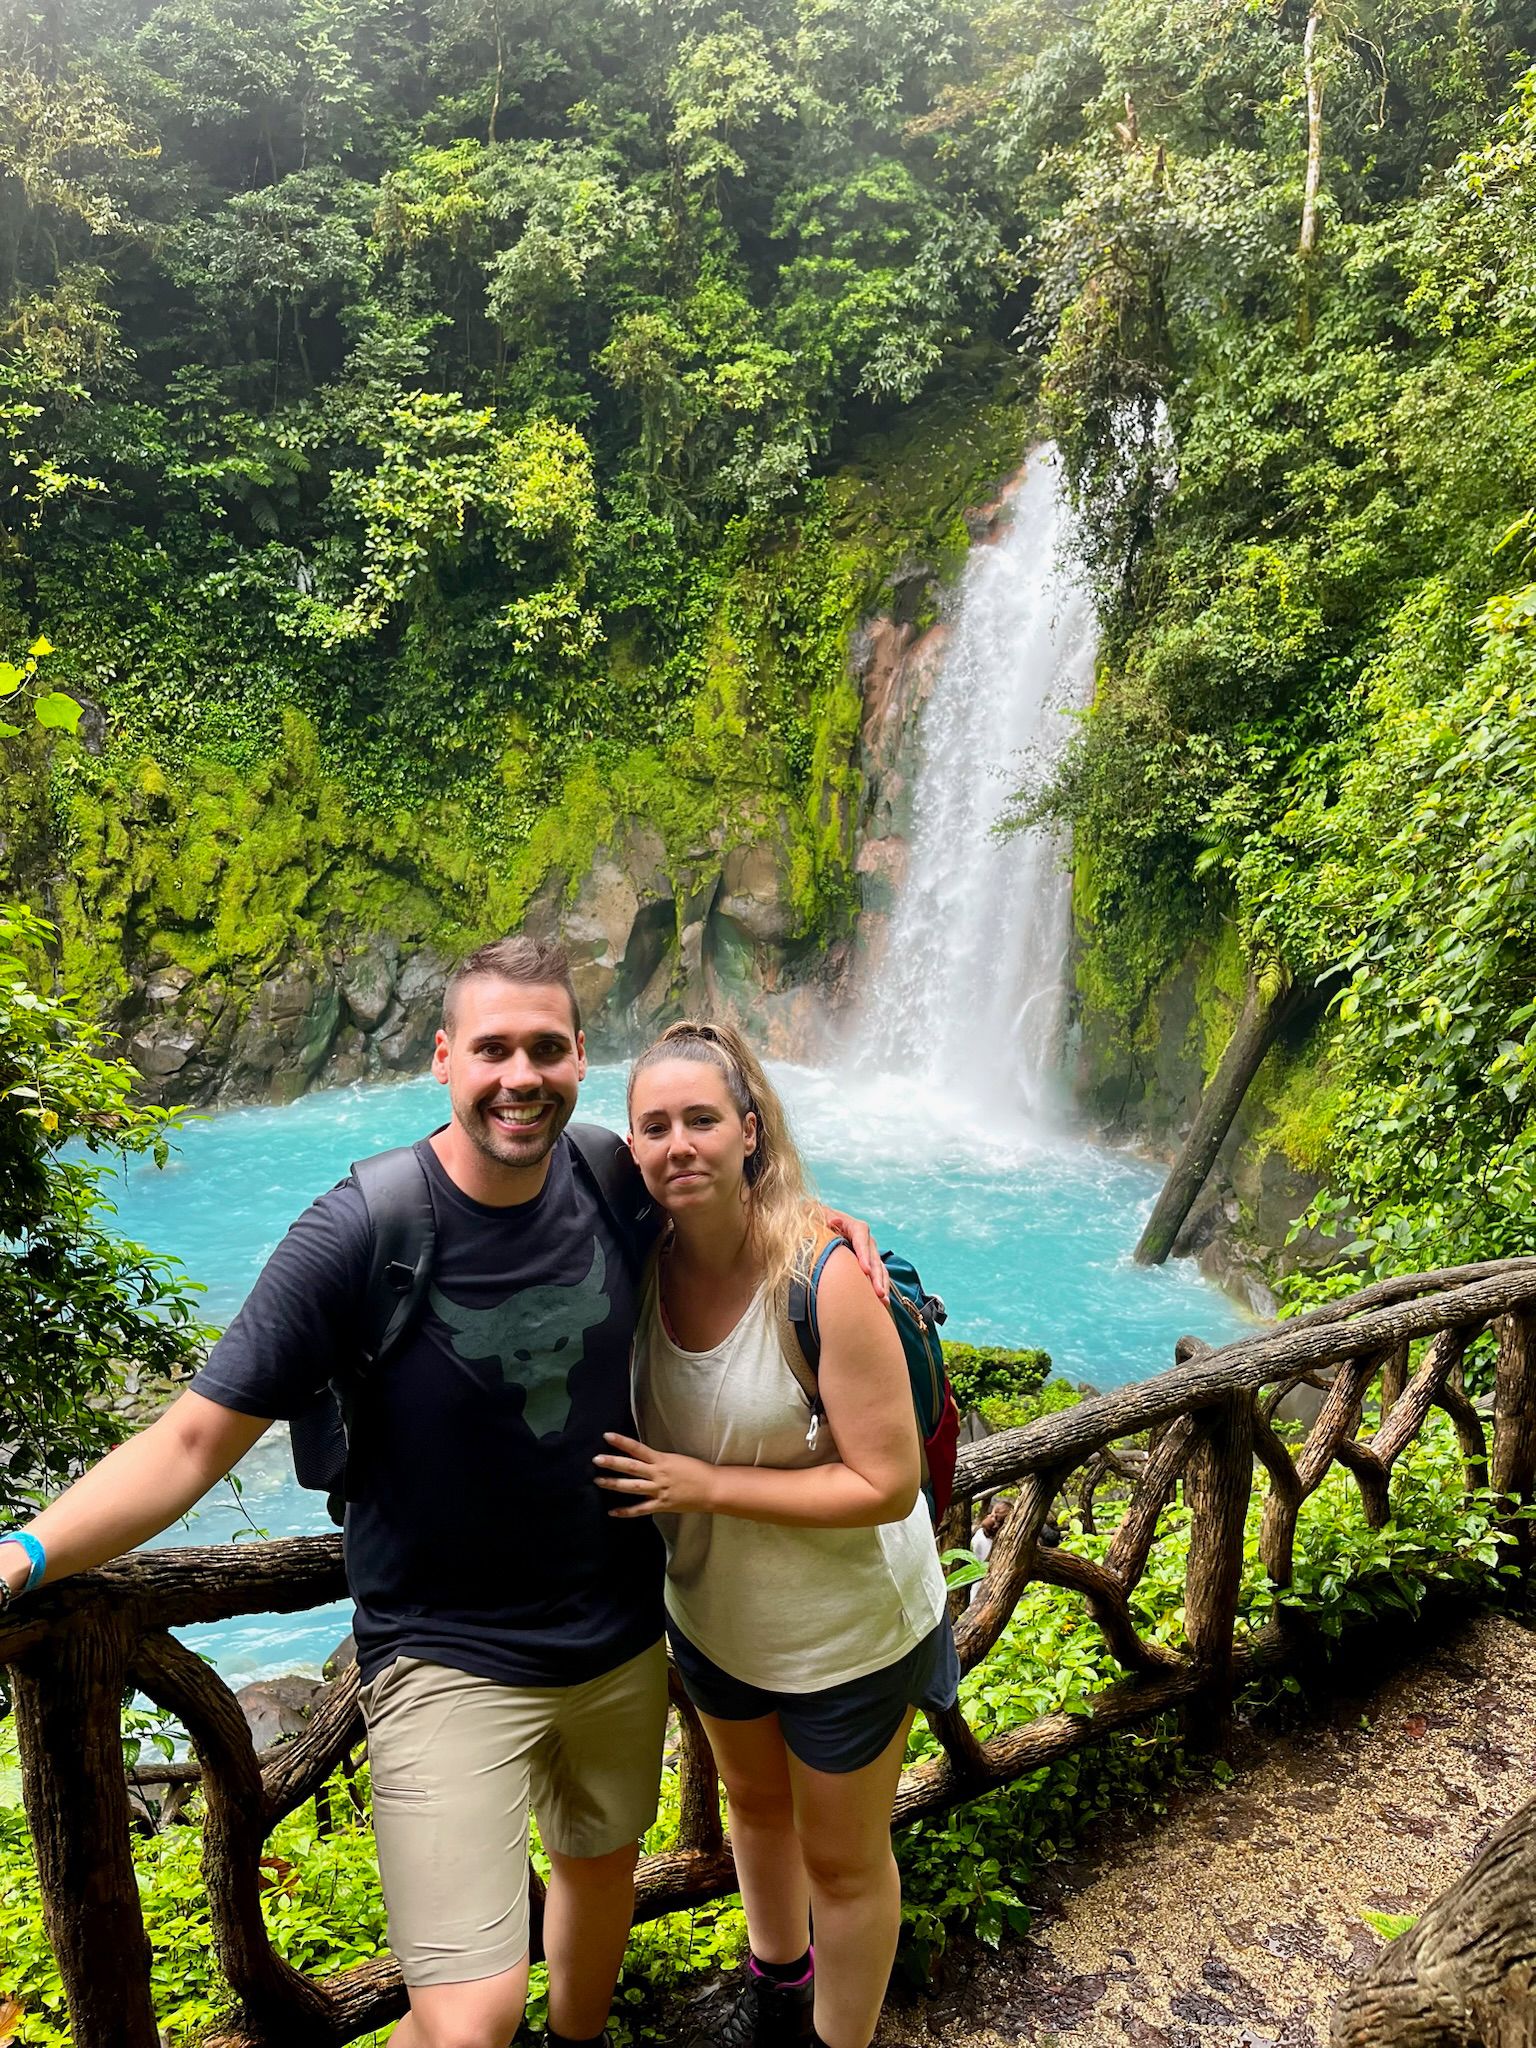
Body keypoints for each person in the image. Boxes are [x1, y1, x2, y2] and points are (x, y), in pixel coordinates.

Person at [0, 938, 882, 2048]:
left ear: (578, 1058)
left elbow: (723, 1210)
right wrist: (25, 1552)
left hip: (617, 1637)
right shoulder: (358, 1230)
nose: (523, 1075)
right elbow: (188, 1439)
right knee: (467, 2017)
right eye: (496, 1048)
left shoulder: (612, 1177)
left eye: (549, 1048)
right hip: (444, 1653)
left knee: (597, 1864)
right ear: (443, 1057)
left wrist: (829, 1228)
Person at [595, 1021, 957, 2048]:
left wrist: (703, 1481)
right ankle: (777, 1981)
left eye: (703, 1118)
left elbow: (886, 1483)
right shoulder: (631, 1261)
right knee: (754, 1811)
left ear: (749, 1130)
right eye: (655, 1125)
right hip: (715, 1620)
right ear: (630, 1150)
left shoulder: (823, 1278)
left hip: (847, 1632)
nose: (680, 1143)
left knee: (844, 1861)